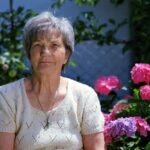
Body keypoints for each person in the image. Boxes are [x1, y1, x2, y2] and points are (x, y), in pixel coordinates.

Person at [0, 11, 105, 150]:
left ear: (66, 55)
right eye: (37, 45)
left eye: (54, 45)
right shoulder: (7, 96)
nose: (45, 52)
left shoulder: (84, 96)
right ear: (29, 54)